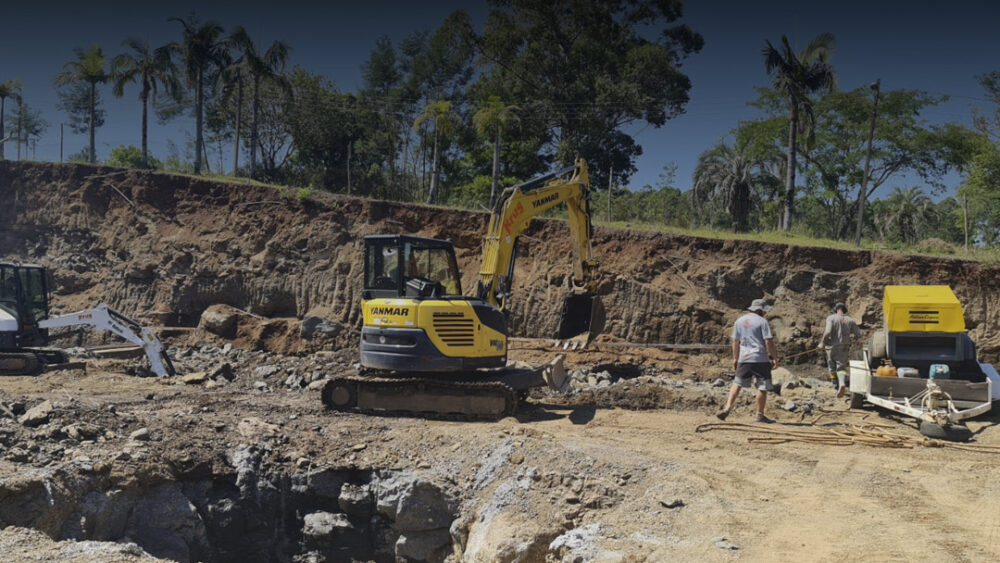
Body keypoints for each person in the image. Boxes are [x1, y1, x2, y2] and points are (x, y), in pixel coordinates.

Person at [717, 298, 779, 423]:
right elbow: (768, 341)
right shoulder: (762, 322)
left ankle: (727, 407)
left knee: (737, 383)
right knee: (762, 386)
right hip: (760, 358)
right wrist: (775, 357)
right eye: (764, 311)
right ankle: (759, 415)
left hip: (744, 358)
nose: (766, 313)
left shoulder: (739, 321)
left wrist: (735, 358)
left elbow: (735, 341)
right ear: (759, 310)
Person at [822, 302, 862, 393]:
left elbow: (827, 332)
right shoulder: (850, 320)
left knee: (832, 367)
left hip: (831, 347)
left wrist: (823, 342)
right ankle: (842, 383)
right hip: (844, 347)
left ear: (836, 310)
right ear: (844, 311)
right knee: (841, 367)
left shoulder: (831, 318)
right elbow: (859, 334)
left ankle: (835, 387)